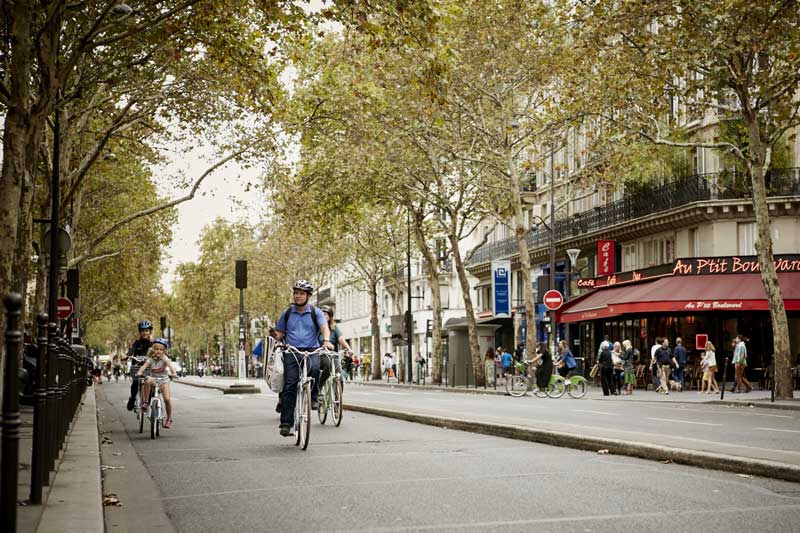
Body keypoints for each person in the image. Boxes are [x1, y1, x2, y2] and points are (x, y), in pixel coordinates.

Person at [274, 280, 333, 436]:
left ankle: (313, 397)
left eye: (301, 293)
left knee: (314, 369)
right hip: (291, 351)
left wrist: (326, 341)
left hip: (312, 350)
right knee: (290, 385)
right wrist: (274, 336)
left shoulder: (316, 312)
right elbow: (279, 333)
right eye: (296, 293)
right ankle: (286, 423)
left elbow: (324, 328)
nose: (298, 296)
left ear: (308, 296)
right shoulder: (287, 312)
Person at [137, 338, 177, 428]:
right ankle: (146, 402)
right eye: (156, 349)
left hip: (163, 381)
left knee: (167, 399)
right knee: (147, 380)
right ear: (153, 349)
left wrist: (174, 373)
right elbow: (144, 367)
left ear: (164, 351)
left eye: (161, 349)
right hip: (154, 380)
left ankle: (169, 419)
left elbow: (171, 366)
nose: (158, 351)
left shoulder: (165, 359)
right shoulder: (150, 359)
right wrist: (140, 372)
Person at [318, 305, 353, 393]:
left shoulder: (334, 328)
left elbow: (341, 339)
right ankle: (319, 387)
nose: (324, 316)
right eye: (322, 314)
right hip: (321, 355)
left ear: (330, 317)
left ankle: (338, 401)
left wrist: (349, 348)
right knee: (327, 366)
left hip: (333, 356)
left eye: (326, 314)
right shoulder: (317, 328)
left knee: (339, 375)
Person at [126, 320, 153, 411]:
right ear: (140, 332)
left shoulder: (152, 343)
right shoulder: (137, 343)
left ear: (150, 332)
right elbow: (131, 350)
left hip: (149, 367)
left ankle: (148, 400)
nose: (145, 333)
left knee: (150, 383)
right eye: (142, 331)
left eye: (146, 331)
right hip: (137, 366)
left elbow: (159, 350)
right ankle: (132, 399)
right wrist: (127, 356)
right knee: (135, 383)